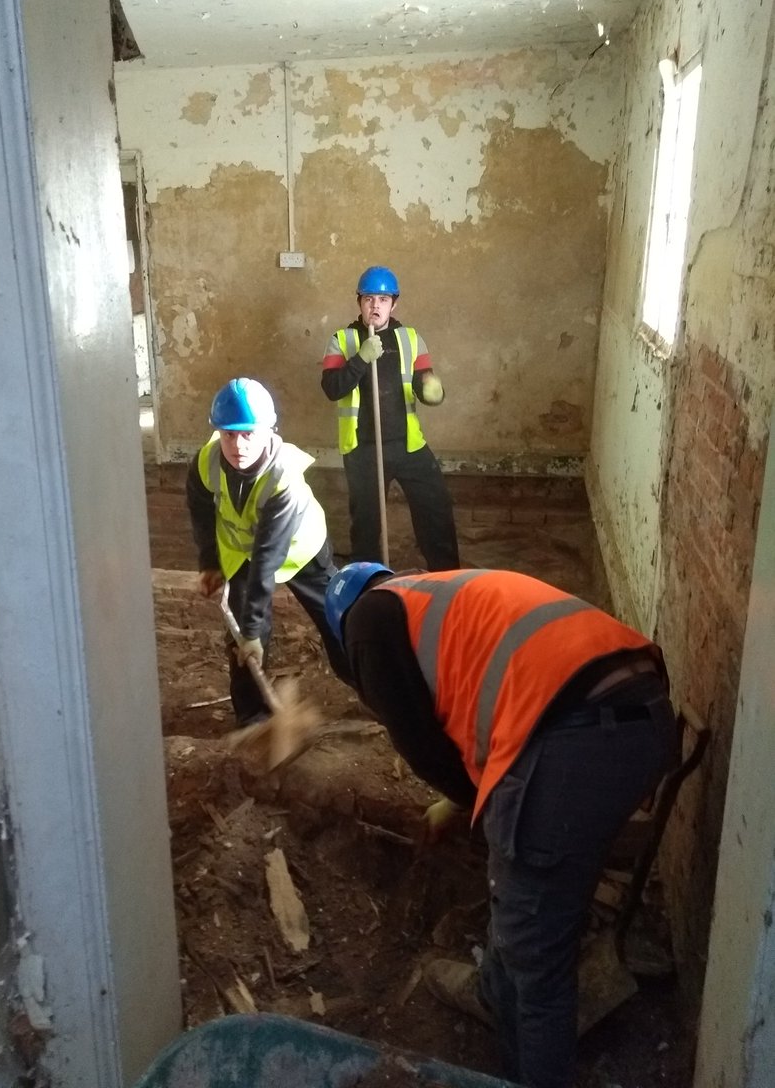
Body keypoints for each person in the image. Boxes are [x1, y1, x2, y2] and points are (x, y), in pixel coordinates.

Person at [324, 562, 677, 1088]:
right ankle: (494, 990)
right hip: (645, 718)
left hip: (570, 740)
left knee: (538, 963)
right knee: (525, 887)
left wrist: (467, 800)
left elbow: (420, 744)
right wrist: (470, 803)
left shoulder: (367, 622)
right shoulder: (438, 593)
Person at [186, 377, 354, 727]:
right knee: (243, 643)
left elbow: (268, 558)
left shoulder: (283, 480)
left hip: (299, 549)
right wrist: (210, 562)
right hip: (243, 552)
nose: (238, 444)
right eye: (229, 434)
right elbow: (201, 510)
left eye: (249, 433)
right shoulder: (206, 462)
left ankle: (373, 688)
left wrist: (251, 628)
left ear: (269, 430)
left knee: (337, 619)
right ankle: (254, 722)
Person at [321, 265, 459, 571]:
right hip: (364, 449)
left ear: (393, 303)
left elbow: (423, 383)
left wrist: (432, 391)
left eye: (383, 299)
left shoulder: (410, 338)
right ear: (359, 302)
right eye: (369, 299)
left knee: (436, 510)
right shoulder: (342, 340)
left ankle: (447, 579)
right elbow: (332, 388)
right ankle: (368, 583)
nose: (375, 306)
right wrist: (360, 358)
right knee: (367, 525)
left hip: (408, 445)